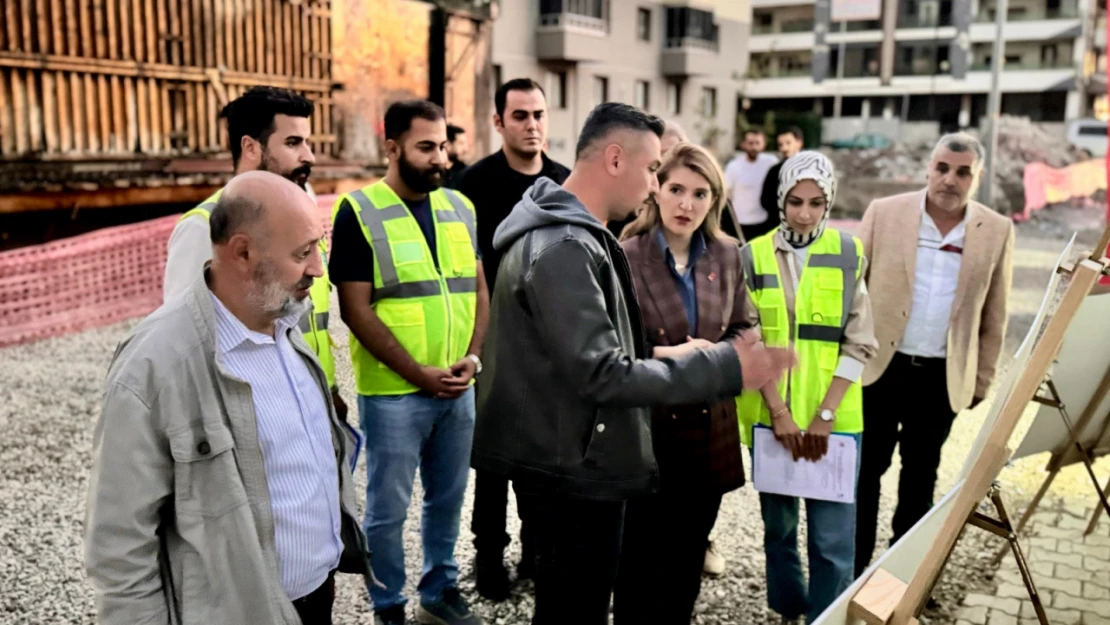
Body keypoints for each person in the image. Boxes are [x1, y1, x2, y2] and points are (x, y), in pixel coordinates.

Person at [471, 102, 795, 625]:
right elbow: (601, 372)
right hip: (570, 471)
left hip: (567, 459)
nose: (653, 186)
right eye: (652, 170)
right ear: (616, 159)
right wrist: (728, 368)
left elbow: (583, 354)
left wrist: (671, 356)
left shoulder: (570, 232)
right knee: (576, 609)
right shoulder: (565, 245)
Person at [85, 171, 371, 625]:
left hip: (317, 598)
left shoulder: (286, 326)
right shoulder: (156, 363)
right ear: (242, 252)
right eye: (303, 253)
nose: (319, 268)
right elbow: (119, 543)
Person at [329, 99, 487, 625]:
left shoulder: (461, 208)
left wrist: (472, 357)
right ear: (392, 148)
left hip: (458, 386)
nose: (439, 157)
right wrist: (418, 374)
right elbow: (355, 308)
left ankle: (439, 591)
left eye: (443, 146)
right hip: (395, 393)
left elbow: (478, 289)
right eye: (426, 147)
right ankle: (388, 605)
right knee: (387, 511)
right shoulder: (358, 210)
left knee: (448, 500)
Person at [854, 133, 1014, 577]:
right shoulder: (884, 214)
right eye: (942, 168)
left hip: (941, 379)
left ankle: (900, 575)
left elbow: (995, 315)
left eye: (963, 172)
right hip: (878, 370)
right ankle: (853, 572)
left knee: (920, 479)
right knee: (864, 474)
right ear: (929, 168)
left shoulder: (996, 230)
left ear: (977, 177)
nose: (950, 179)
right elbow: (853, 290)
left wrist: (981, 380)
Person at [612, 142, 750, 624]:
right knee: (638, 564)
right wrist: (667, 355)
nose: (686, 204)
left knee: (687, 561)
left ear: (714, 200)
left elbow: (745, 328)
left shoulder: (729, 255)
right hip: (647, 431)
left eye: (700, 193)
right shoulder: (625, 255)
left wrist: (716, 356)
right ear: (657, 189)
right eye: (676, 189)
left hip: (708, 432)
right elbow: (609, 346)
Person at [738, 151, 877, 624]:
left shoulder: (849, 252)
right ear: (780, 198)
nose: (804, 212)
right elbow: (748, 340)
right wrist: (778, 412)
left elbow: (861, 342)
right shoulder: (751, 255)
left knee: (832, 539)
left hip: (834, 423)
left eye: (817, 203)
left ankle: (826, 617)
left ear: (829, 201)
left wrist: (825, 415)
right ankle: (789, 609)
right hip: (770, 418)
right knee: (778, 531)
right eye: (795, 201)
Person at [161, 86, 346, 421]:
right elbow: (183, 344)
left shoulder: (302, 217)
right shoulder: (204, 228)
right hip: (258, 415)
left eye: (308, 142)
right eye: (293, 143)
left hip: (314, 401)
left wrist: (329, 390)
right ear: (250, 147)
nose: (310, 156)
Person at [452, 77, 570, 600]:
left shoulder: (566, 184)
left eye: (539, 114)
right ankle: (488, 554)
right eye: (520, 115)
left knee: (544, 452)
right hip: (495, 341)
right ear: (498, 121)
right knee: (494, 457)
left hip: (552, 344)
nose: (532, 125)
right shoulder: (472, 186)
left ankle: (537, 548)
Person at [604, 118, 688, 239]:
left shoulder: (707, 201)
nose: (663, 161)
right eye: (657, 155)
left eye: (670, 153)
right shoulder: (626, 207)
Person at [725, 128, 779, 242]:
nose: (754, 147)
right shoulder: (734, 166)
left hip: (763, 221)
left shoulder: (771, 162)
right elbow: (727, 194)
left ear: (764, 144)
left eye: (757, 143)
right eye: (750, 143)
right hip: (740, 223)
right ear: (743, 144)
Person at [757, 126, 805, 236]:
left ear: (799, 143)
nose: (784, 148)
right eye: (781, 144)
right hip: (777, 226)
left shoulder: (810, 169)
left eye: (788, 143)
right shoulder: (774, 171)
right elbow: (765, 200)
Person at [444, 123, 469, 188]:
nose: (465, 149)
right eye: (461, 143)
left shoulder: (468, 173)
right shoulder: (435, 173)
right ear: (447, 145)